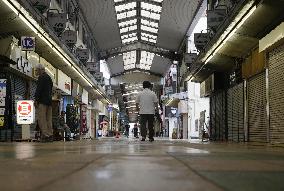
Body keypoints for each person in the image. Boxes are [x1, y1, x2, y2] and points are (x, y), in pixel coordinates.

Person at [34, 63, 53, 142]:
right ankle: (50, 134)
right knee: (48, 119)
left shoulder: (41, 77)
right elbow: (51, 88)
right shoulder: (49, 78)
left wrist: (36, 99)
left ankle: (45, 135)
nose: (36, 72)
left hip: (42, 101)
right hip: (49, 102)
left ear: (41, 70)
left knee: (42, 119)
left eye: (36, 70)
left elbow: (39, 89)